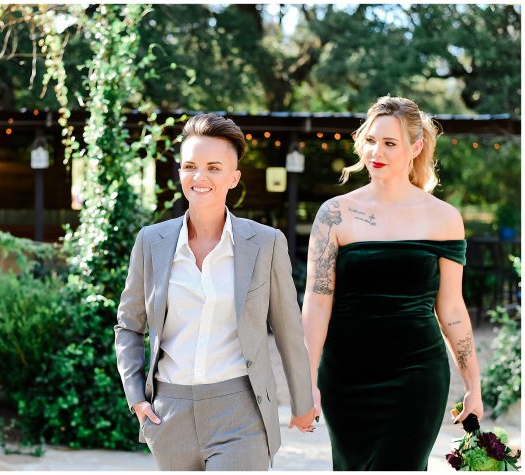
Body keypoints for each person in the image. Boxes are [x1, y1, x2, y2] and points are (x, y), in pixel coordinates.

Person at [114, 113, 316, 471]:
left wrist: (303, 403)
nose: (199, 177)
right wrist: (136, 400)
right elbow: (129, 325)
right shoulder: (151, 242)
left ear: (234, 177)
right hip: (169, 414)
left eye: (213, 167)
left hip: (241, 411)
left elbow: (287, 329)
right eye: (190, 166)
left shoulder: (265, 243)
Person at [301, 95, 483, 470]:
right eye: (370, 140)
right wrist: (307, 380)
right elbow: (318, 304)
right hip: (345, 376)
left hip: (416, 375)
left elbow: (450, 308)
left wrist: (473, 386)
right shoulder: (335, 214)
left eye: (389, 143)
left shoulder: (443, 218)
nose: (375, 151)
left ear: (415, 148)